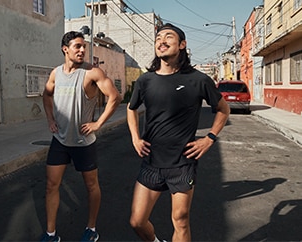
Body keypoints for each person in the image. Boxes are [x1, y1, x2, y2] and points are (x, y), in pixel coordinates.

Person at [126, 23, 230, 242]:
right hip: (152, 161)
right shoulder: (146, 80)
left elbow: (223, 109)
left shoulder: (199, 80)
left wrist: (210, 138)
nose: (161, 41)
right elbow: (131, 109)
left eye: (168, 37)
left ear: (182, 45)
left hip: (183, 162)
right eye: (158, 38)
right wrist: (135, 138)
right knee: (137, 221)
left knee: (181, 219)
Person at [41, 31, 121, 242]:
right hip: (60, 140)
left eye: (84, 46)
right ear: (65, 49)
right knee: (51, 185)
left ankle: (91, 228)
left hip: (83, 142)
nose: (82, 50)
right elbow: (46, 95)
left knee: (91, 186)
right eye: (77, 46)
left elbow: (115, 97)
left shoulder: (92, 73)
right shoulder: (55, 73)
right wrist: (50, 119)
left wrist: (98, 123)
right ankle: (50, 234)